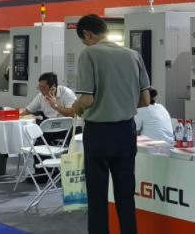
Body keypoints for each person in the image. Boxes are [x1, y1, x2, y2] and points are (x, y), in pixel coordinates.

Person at [72, 14, 150, 234]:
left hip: (99, 133)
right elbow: (145, 100)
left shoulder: (89, 54)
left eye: (83, 40)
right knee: (126, 195)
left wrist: (75, 108)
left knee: (97, 196)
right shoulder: (133, 55)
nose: (85, 44)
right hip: (126, 132)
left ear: (87, 34)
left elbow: (87, 100)